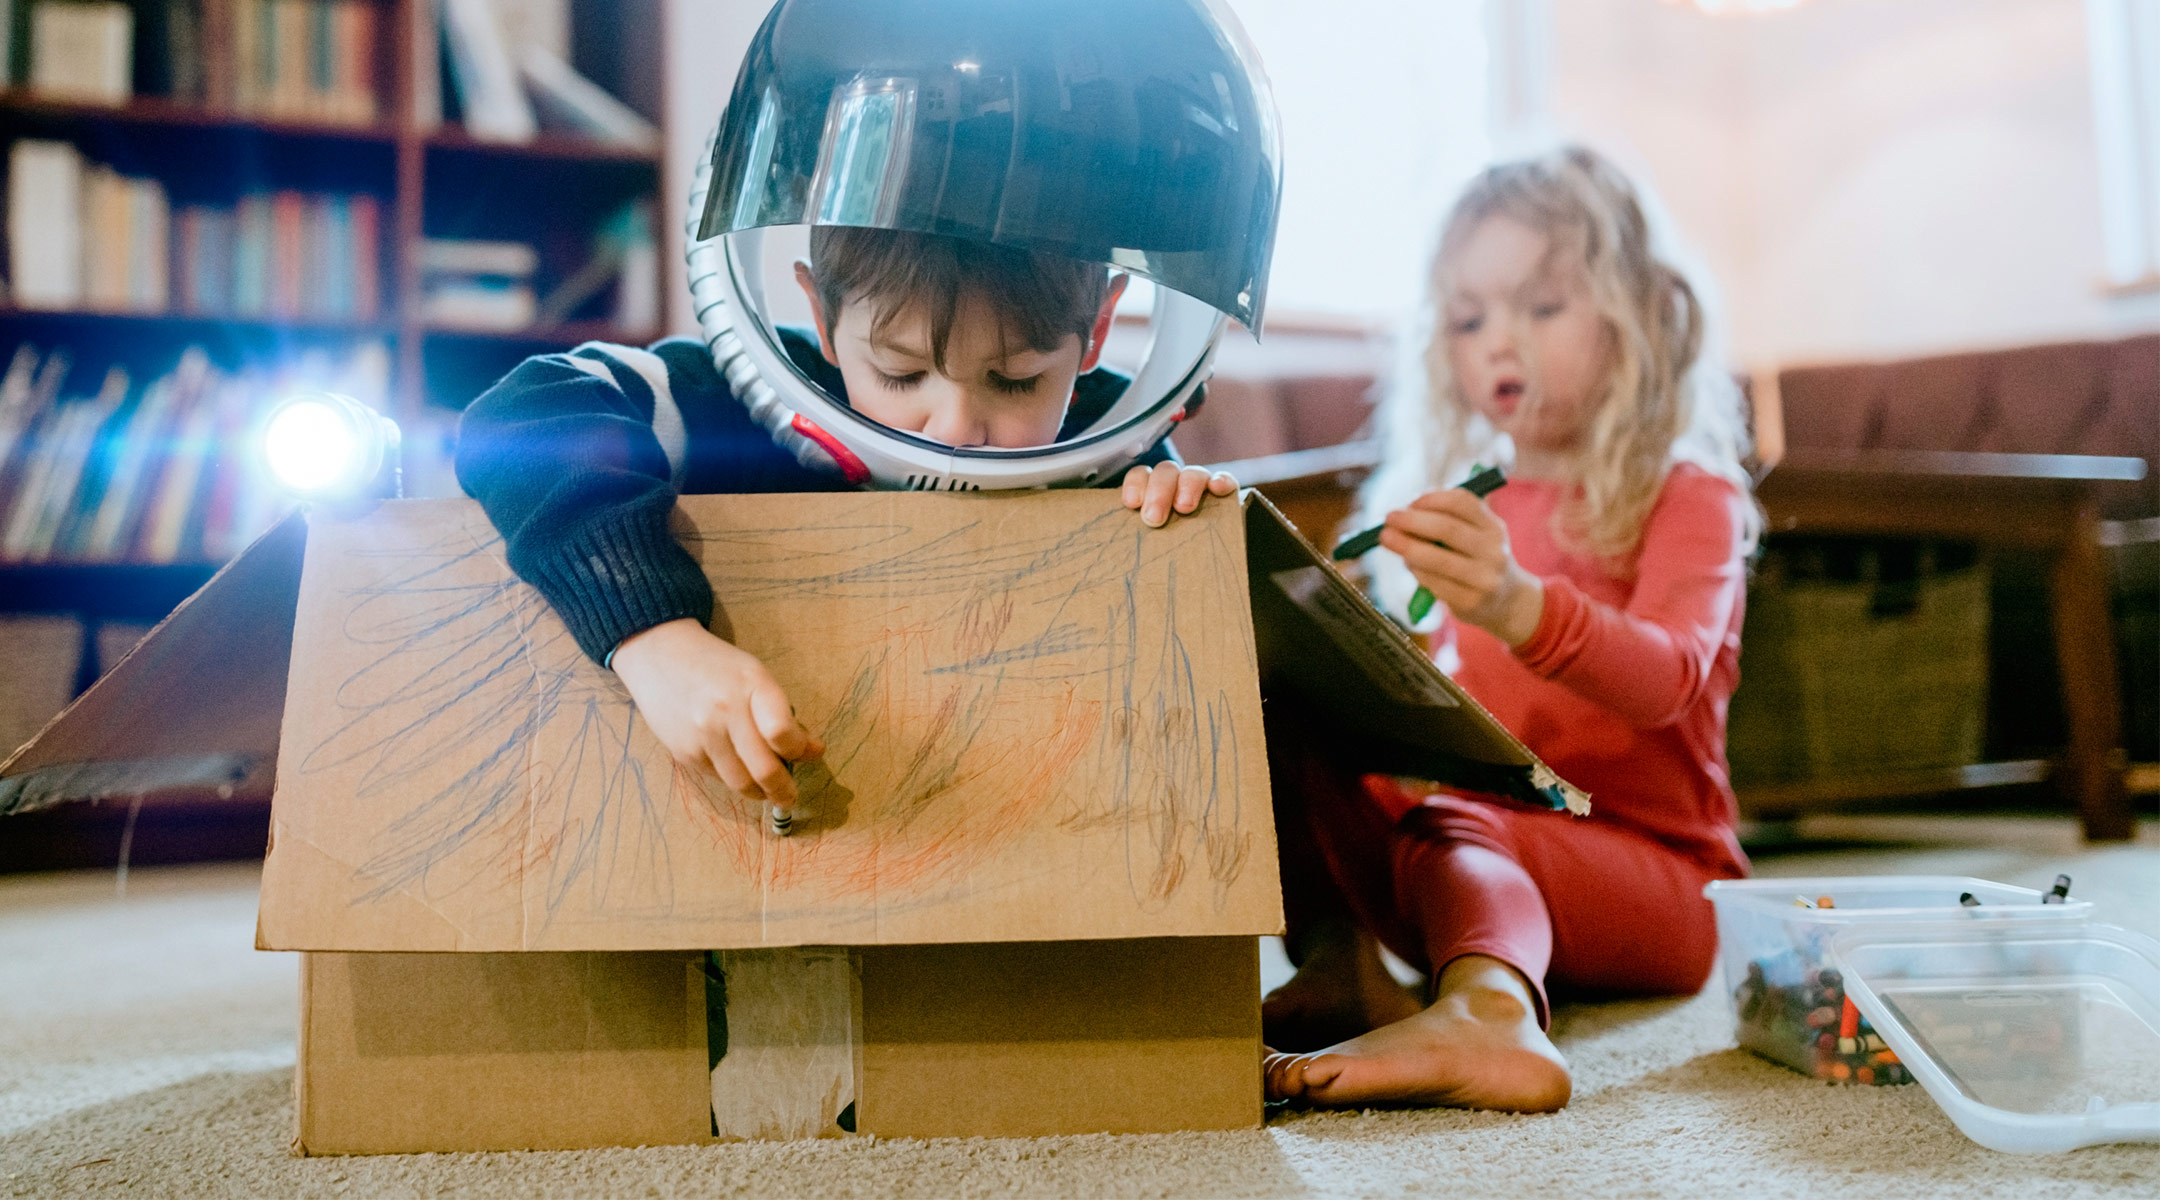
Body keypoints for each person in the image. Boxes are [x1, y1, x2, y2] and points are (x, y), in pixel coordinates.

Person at [453, 0, 1281, 823]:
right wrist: (653, 638)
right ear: (822, 322)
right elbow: (520, 420)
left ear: (1096, 333)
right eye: (900, 370)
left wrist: (1170, 522)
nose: (954, 428)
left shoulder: (1114, 450)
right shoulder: (734, 406)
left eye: (1018, 381)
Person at [1261, 145, 1761, 1113]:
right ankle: (1339, 964)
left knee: (1469, 818)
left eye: (1541, 308)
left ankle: (1492, 1014)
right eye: (1468, 318)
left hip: (1663, 886)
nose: (1501, 342)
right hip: (1473, 858)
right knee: (1285, 723)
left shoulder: (1689, 496)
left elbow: (1669, 678)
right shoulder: (1456, 497)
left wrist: (1516, 605)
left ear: (1642, 317)